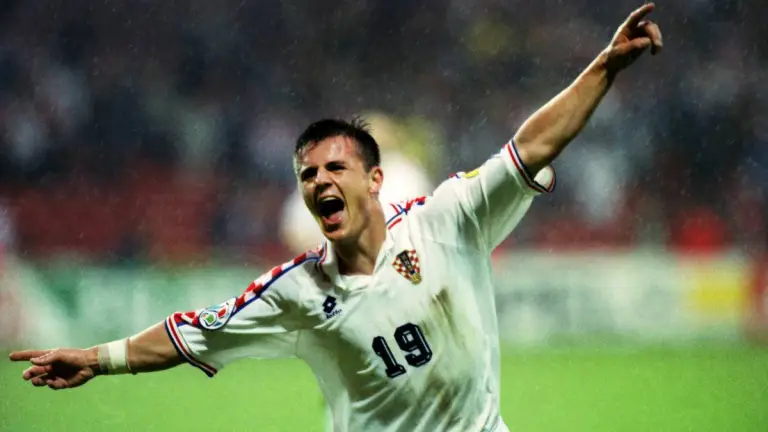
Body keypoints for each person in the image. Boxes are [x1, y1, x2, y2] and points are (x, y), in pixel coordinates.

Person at [9, 4, 662, 431]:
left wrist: (605, 67)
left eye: (334, 168)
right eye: (307, 175)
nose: (319, 181)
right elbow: (193, 334)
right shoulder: (295, 290)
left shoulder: (447, 219)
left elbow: (530, 147)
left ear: (376, 179)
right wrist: (98, 358)